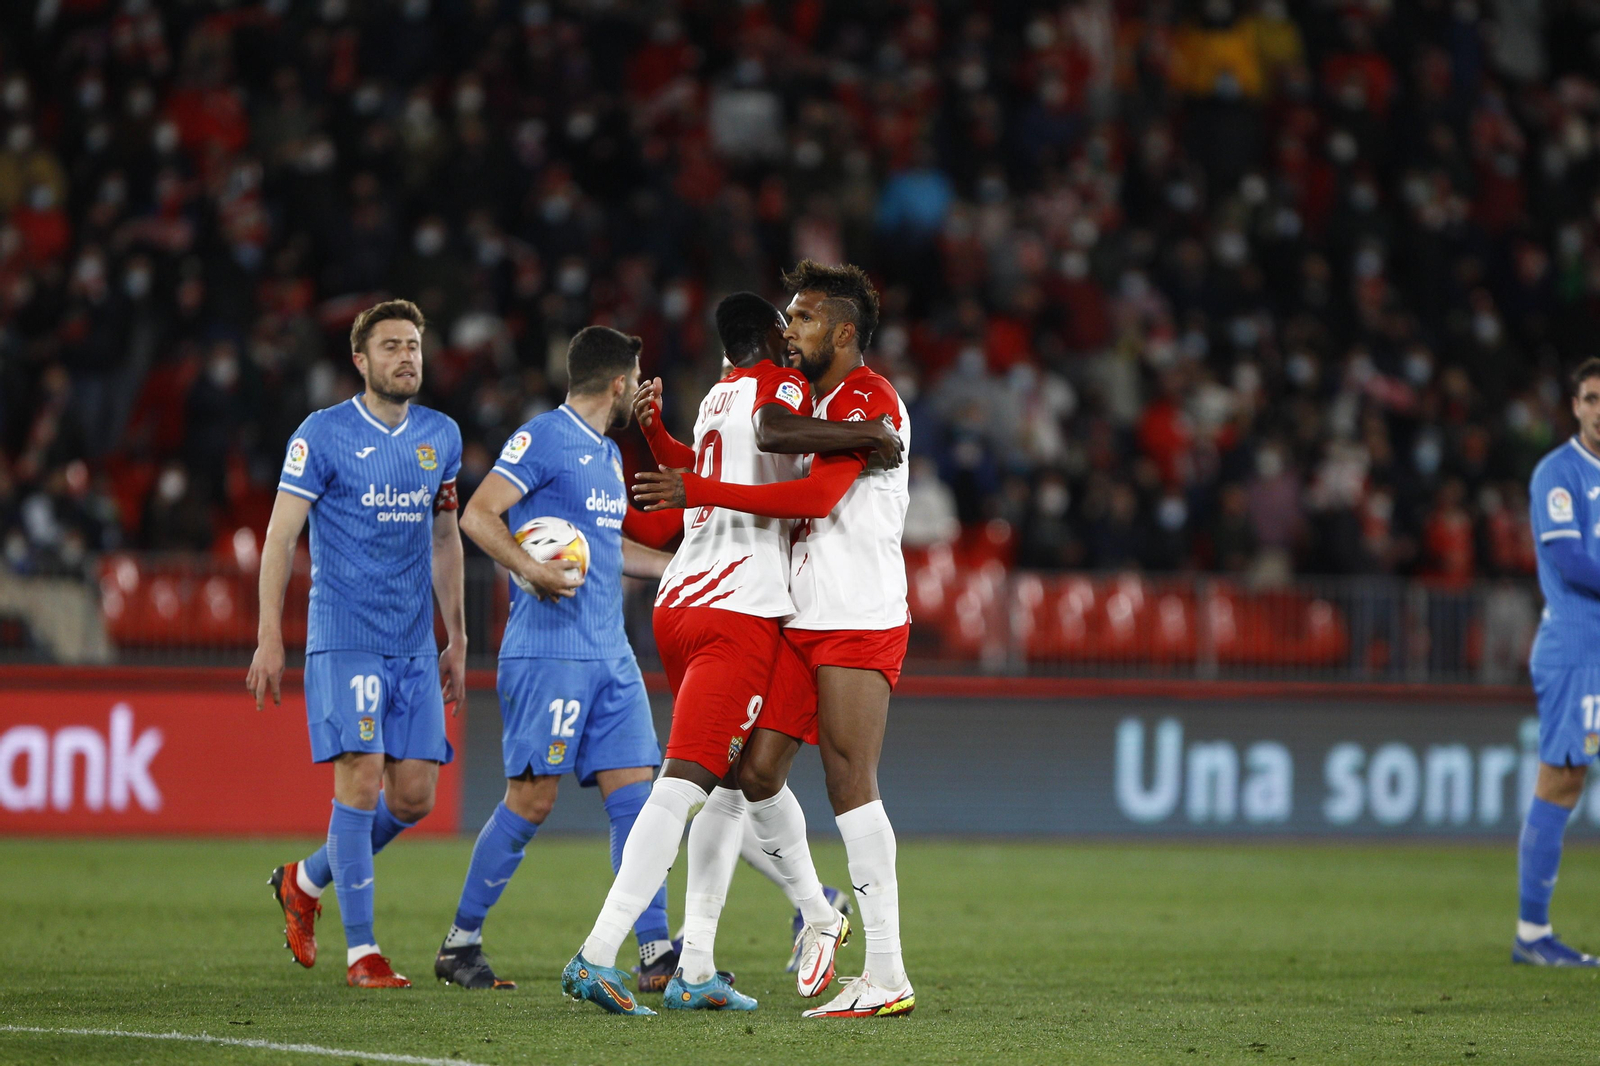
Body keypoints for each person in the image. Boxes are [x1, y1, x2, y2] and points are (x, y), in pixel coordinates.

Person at [562, 291, 900, 1015]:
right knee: (685, 784)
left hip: (682, 601)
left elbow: (716, 478)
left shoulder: (716, 397)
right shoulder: (778, 384)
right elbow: (779, 444)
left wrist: (656, 440)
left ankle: (700, 966)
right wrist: (863, 434)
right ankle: (599, 952)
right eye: (791, 325)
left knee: (729, 780)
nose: (796, 337)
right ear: (775, 337)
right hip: (737, 608)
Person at [434, 326, 682, 991]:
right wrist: (528, 570)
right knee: (532, 800)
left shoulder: (605, 455)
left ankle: (657, 950)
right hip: (550, 650)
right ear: (619, 384)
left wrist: (685, 567)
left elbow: (608, 550)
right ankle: (461, 942)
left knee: (639, 800)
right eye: (637, 380)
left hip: (610, 653)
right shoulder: (544, 437)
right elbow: (480, 516)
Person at [250, 299, 465, 989]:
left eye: (414, 345)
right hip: (345, 637)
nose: (407, 357)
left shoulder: (442, 437)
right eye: (392, 346)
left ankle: (305, 879)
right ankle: (363, 953)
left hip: (411, 643)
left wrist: (455, 635)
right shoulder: (322, 435)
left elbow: (443, 538)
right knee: (361, 779)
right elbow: (281, 537)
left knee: (414, 799)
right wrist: (268, 637)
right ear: (361, 361)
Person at [1516, 356, 1600, 967]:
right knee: (1563, 777)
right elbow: (1570, 562)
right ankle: (1531, 934)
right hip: (1576, 644)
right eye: (1592, 398)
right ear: (1576, 406)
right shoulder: (1559, 473)